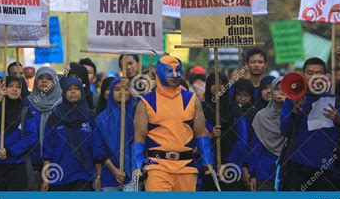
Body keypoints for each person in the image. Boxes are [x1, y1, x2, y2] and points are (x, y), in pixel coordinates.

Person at [132, 55, 212, 191]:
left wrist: (208, 162)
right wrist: (136, 165)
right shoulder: (146, 102)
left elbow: (201, 134)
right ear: (158, 73)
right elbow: (139, 138)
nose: (175, 75)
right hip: (157, 167)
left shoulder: (192, 100)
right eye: (169, 71)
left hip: (186, 167)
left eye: (178, 70)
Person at [280, 57, 340, 191]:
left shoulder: (334, 101)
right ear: (303, 75)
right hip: (297, 165)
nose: (314, 76)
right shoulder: (293, 98)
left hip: (325, 166)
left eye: (318, 73)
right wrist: (294, 112)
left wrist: (339, 120)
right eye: (310, 73)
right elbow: (284, 130)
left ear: (325, 76)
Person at [0, 76, 38, 191]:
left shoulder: (25, 110)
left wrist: (10, 151)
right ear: (4, 88)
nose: (14, 89)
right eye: (10, 86)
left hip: (17, 165)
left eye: (18, 87)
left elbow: (32, 137)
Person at [41, 78, 95, 191]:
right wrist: (45, 177)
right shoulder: (55, 117)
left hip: (84, 175)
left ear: (82, 91)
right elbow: (48, 149)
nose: (73, 92)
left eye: (76, 89)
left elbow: (96, 147)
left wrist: (98, 175)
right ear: (63, 93)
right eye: (69, 89)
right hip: (59, 175)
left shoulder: (90, 116)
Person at [201, 72, 247, 191]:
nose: (218, 87)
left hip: (231, 167)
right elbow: (196, 137)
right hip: (208, 167)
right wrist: (211, 135)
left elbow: (242, 139)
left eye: (222, 84)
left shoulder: (235, 109)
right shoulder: (201, 109)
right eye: (214, 83)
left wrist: (227, 162)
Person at [93, 77, 137, 191]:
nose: (121, 92)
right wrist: (114, 170)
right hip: (109, 174)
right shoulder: (101, 119)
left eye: (125, 89)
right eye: (117, 89)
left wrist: (130, 88)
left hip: (133, 174)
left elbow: (146, 103)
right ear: (111, 92)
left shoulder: (136, 114)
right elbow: (98, 148)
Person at [25, 67, 62, 189]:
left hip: (57, 164)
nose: (44, 81)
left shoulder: (62, 105)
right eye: (41, 77)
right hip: (31, 163)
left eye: (49, 78)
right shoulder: (27, 103)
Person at [249, 77, 286, 191]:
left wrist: (288, 106)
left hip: (288, 171)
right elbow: (255, 147)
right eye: (277, 89)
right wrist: (253, 174)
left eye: (284, 89)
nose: (280, 92)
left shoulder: (295, 114)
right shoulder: (261, 116)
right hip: (265, 171)